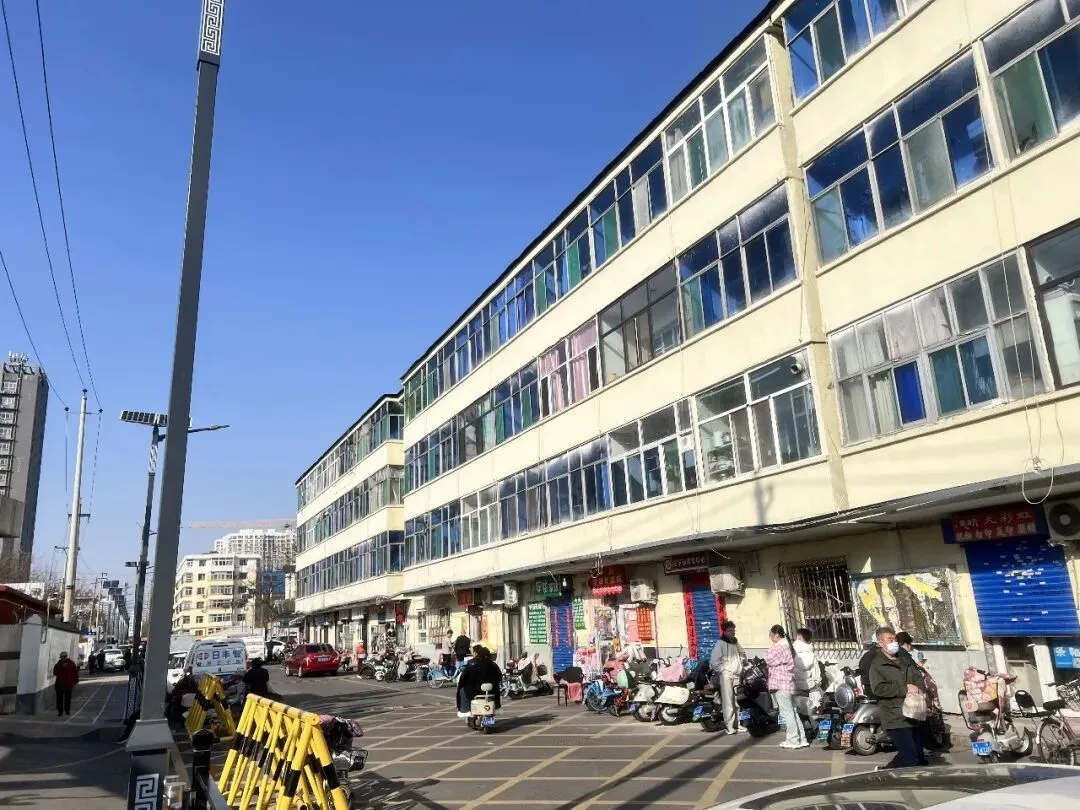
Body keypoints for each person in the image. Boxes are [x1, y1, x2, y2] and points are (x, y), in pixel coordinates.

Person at [868, 626, 928, 769]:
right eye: (889, 640)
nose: (894, 642)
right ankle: (886, 773)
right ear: (880, 643)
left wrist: (919, 689)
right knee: (910, 758)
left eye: (895, 639)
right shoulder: (877, 665)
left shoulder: (904, 659)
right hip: (895, 717)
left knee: (919, 757)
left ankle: (889, 771)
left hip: (914, 714)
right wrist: (905, 689)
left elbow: (918, 677)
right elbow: (878, 689)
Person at [764, 625, 807, 749]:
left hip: (780, 683)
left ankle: (793, 740)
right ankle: (801, 738)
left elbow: (768, 659)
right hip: (788, 683)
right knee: (792, 711)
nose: (770, 636)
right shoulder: (787, 646)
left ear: (777, 635)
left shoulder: (779, 647)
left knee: (787, 713)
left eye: (771, 634)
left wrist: (768, 651)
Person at [709, 620, 745, 735]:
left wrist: (742, 662)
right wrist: (723, 670)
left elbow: (742, 654)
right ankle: (729, 726)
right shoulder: (720, 644)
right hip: (727, 676)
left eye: (733, 630)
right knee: (728, 701)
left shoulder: (735, 643)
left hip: (737, 674)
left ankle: (737, 724)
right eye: (730, 630)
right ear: (724, 631)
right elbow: (714, 661)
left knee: (737, 701)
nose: (732, 632)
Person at [456, 645, 502, 720]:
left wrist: (461, 685)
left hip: (474, 691)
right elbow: (499, 677)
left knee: (462, 690)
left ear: (477, 653)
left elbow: (463, 678)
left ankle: (465, 710)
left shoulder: (471, 664)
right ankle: (497, 706)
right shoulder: (493, 664)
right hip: (491, 691)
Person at [792, 628, 819, 693]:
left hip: (794, 686)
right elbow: (816, 672)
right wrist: (816, 684)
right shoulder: (812, 654)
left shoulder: (790, 651)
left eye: (796, 635)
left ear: (799, 637)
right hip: (809, 686)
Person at [53, 651, 79, 716]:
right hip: (61, 685)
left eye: (64, 657)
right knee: (61, 699)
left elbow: (75, 673)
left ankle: (66, 711)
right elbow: (55, 672)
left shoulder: (70, 664)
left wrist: (75, 681)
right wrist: (61, 667)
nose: (63, 658)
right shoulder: (59, 664)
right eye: (62, 657)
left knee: (67, 698)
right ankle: (62, 711)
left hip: (66, 685)